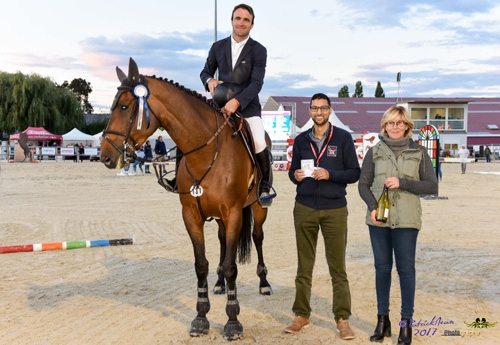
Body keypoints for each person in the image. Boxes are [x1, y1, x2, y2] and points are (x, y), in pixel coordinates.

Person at [358, 105, 438, 345]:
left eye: (399, 123)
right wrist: (372, 208)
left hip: (407, 220)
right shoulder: (374, 152)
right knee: (382, 269)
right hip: (378, 220)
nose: (395, 127)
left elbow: (431, 186)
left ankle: (406, 324)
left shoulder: (419, 152)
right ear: (384, 126)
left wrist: (403, 182)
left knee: (406, 271)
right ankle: (383, 321)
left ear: (407, 126)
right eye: (390, 123)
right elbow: (363, 185)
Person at [285, 93, 360, 340]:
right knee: (303, 266)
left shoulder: (343, 137)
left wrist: (330, 175)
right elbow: (292, 171)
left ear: (330, 110)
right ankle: (301, 314)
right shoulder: (301, 140)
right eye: (314, 108)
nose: (318, 112)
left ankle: (342, 318)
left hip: (334, 210)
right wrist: (294, 175)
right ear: (309, 111)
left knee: (337, 268)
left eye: (323, 108)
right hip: (304, 207)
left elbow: (354, 173)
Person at [199, 3, 273, 207]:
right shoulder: (217, 47)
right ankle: (181, 178)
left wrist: (237, 102)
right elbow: (205, 72)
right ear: (232, 21)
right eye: (238, 18)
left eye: (246, 20)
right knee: (193, 130)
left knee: (259, 141)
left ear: (252, 24)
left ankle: (265, 186)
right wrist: (209, 81)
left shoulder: (259, 50)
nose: (241, 23)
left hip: (247, 107)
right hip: (219, 105)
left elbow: (256, 83)